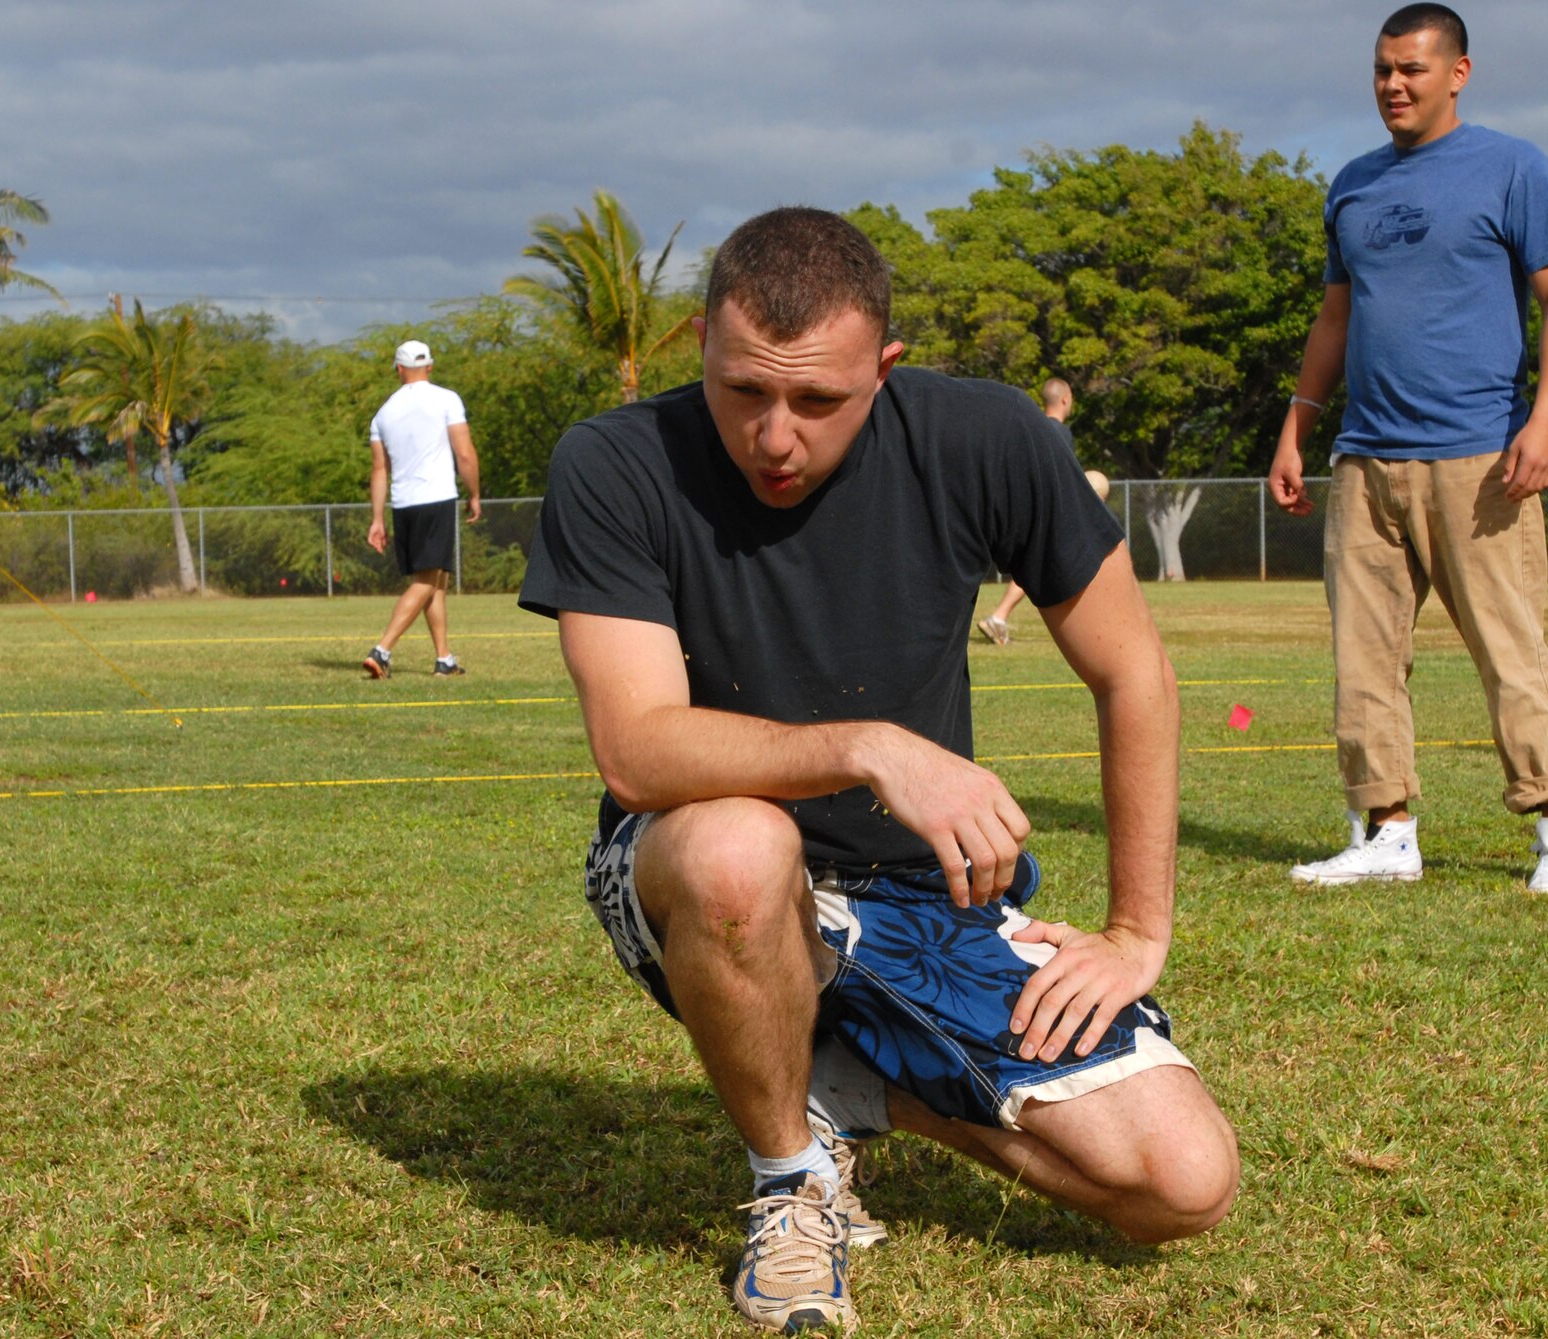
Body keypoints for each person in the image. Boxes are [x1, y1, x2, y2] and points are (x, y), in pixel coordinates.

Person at [520, 208, 1236, 1334]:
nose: (773, 435)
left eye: (817, 401)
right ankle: (792, 1182)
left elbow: (1133, 673)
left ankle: (846, 1083)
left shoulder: (986, 438)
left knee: (1179, 1182)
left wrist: (1137, 929)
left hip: (921, 890)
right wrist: (868, 744)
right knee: (737, 844)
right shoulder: (614, 462)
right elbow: (636, 746)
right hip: (696, 869)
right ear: (698, 341)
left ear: (884, 369)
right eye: (742, 389)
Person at [1268, 4, 1548, 895]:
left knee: (1509, 648)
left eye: (1411, 69)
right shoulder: (1352, 184)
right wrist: (1298, 427)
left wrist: (1546, 419)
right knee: (1364, 657)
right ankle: (1387, 831)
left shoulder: (1514, 167)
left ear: (1458, 73)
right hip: (1365, 458)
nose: (1393, 86)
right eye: (1381, 69)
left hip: (1479, 457)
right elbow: (1335, 317)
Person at [359, 339, 482, 678]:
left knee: (435, 579)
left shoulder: (383, 412)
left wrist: (377, 519)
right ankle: (382, 651)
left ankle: (444, 659)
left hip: (403, 504)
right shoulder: (447, 400)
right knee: (427, 581)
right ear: (429, 366)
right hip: (436, 498)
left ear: (398, 369)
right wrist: (474, 493)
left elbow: (379, 469)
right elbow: (466, 453)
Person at [977, 378, 1109, 644]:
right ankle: (999, 617)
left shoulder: (1034, 427)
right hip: (1042, 515)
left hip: (1018, 510)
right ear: (1064, 399)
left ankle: (999, 618)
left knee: (1034, 568)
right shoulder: (1059, 433)